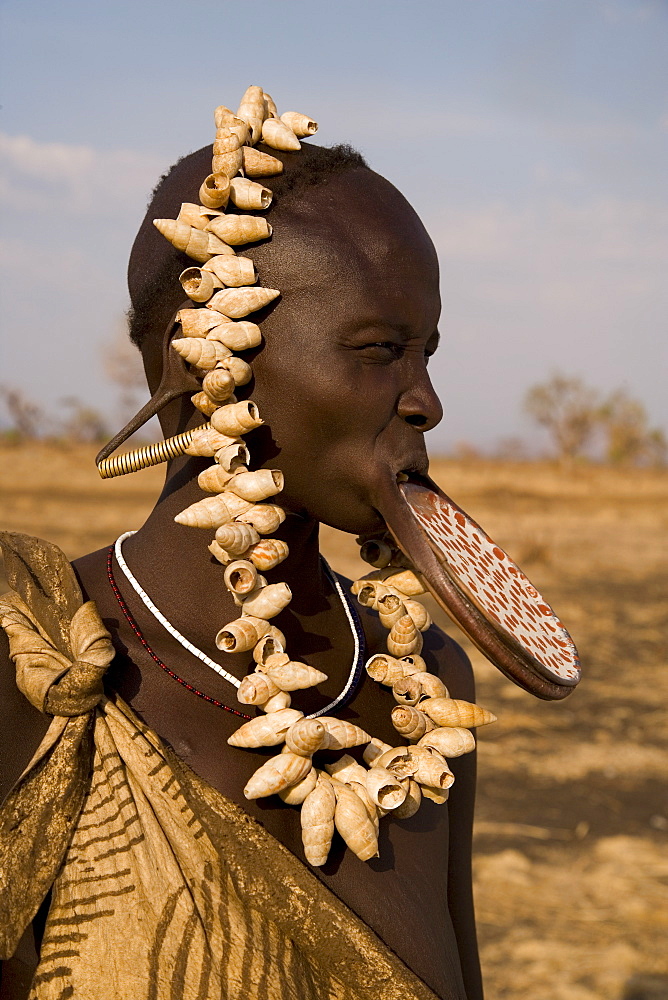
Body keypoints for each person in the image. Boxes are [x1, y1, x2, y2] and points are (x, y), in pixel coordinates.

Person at [0, 98, 485, 1000]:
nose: (426, 401)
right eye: (379, 349)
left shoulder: (425, 686)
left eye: (428, 351)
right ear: (202, 367)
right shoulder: (35, 665)